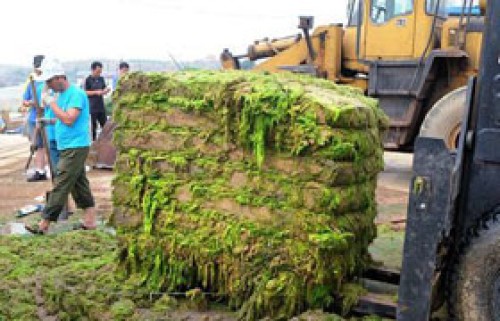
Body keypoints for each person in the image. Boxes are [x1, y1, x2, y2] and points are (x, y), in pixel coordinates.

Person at [26, 59, 96, 234]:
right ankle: (89, 221)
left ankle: (44, 223)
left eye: (50, 81)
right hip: (66, 145)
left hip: (76, 145)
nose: (48, 85)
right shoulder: (62, 96)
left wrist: (51, 103)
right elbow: (60, 119)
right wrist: (47, 120)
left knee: (61, 182)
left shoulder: (76, 94)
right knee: (79, 184)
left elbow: (69, 119)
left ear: (59, 78)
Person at [21, 55, 48, 181]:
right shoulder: (32, 81)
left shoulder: (48, 81)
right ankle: (40, 170)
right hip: (33, 118)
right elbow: (25, 100)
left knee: (49, 145)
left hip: (47, 119)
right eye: (36, 66)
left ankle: (47, 170)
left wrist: (40, 104)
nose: (38, 69)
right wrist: (31, 103)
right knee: (38, 146)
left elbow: (49, 101)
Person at [85, 61, 110, 141]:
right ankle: (93, 143)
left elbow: (104, 88)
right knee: (93, 127)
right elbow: (85, 92)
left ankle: (106, 142)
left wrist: (106, 90)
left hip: (101, 106)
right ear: (93, 70)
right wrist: (96, 92)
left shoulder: (101, 79)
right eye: (98, 71)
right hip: (92, 107)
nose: (99, 73)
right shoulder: (88, 80)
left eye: (100, 71)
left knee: (106, 126)